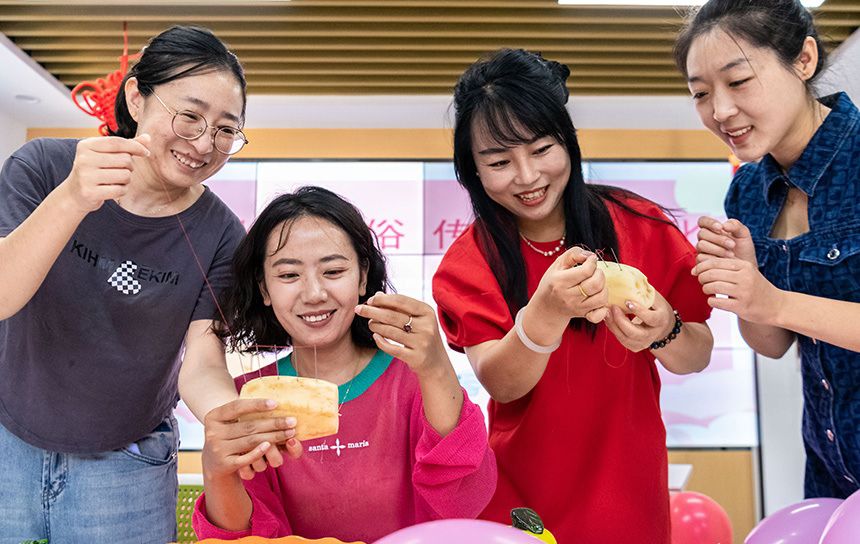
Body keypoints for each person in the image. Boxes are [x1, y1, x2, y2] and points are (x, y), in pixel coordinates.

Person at [432, 48, 714, 543]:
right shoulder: (470, 261)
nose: (527, 176)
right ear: (472, 170)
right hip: (522, 499)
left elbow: (697, 355)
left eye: (542, 149)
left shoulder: (641, 225)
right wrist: (545, 313)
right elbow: (501, 384)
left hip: (629, 494)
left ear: (568, 141)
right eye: (499, 161)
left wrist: (665, 330)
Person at [0, 26, 251, 542]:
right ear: (137, 97)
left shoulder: (223, 234)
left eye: (226, 130)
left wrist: (227, 418)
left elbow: (204, 361)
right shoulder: (45, 168)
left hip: (127, 465)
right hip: (8, 438)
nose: (204, 144)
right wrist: (72, 199)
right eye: (190, 116)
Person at [192, 186, 496, 542]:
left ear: (363, 276)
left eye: (333, 271)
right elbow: (243, 538)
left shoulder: (415, 381)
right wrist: (216, 472)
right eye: (289, 275)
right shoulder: (248, 399)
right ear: (264, 289)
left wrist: (436, 368)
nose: (314, 293)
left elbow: (465, 503)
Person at [676, 0, 860, 498]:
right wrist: (744, 290)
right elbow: (773, 344)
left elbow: (777, 308)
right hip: (831, 470)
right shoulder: (747, 191)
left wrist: (773, 300)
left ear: (804, 60)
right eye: (701, 94)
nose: (720, 111)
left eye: (738, 81)